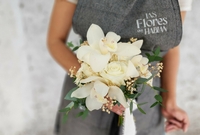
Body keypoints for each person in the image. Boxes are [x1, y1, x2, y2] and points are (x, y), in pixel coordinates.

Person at [47, 0, 192, 135]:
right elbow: (55, 40)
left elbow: (169, 45)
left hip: (146, 99)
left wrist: (169, 101)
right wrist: (94, 83)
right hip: (87, 93)